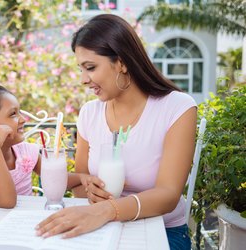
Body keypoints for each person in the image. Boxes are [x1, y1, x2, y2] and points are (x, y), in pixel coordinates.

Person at [35, 14, 196, 250]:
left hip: (162, 231)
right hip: (101, 228)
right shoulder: (89, 113)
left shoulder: (176, 107)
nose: (83, 80)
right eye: (81, 69)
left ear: (121, 62)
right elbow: (81, 183)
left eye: (90, 68)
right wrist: (90, 192)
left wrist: (107, 210)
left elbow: (168, 195)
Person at [0, 84, 87, 208]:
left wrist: (84, 178)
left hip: (23, 224)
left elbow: (56, 179)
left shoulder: (26, 152)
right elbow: (6, 201)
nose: (23, 119)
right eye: (13, 114)